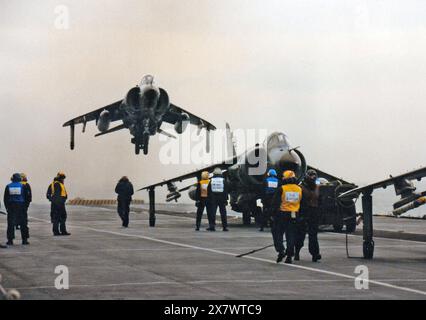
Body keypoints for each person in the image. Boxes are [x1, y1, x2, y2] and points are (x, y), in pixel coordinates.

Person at [271, 170, 302, 264]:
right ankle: (289, 255)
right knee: (290, 235)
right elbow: (302, 203)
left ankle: (281, 250)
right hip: (294, 214)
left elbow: (275, 203)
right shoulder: (299, 189)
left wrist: (271, 215)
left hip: (282, 214)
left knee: (277, 233)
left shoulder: (282, 188)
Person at [295, 169, 322, 262]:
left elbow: (319, 200)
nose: (313, 177)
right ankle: (297, 252)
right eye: (311, 175)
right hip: (303, 212)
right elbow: (297, 201)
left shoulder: (317, 187)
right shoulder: (300, 187)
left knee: (313, 235)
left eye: (314, 175)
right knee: (300, 234)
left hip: (314, 212)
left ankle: (315, 254)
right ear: (307, 176)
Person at [3, 173, 30, 245]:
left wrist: (7, 208)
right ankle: (24, 240)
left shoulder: (8, 186)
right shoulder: (23, 186)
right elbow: (27, 198)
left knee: (11, 224)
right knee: (23, 223)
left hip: (11, 207)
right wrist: (25, 207)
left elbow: (5, 199)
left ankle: (10, 240)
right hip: (21, 206)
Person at [207, 168, 229, 232]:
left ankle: (212, 226)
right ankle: (224, 227)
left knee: (213, 213)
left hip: (213, 199)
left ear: (214, 173)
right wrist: (226, 200)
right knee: (223, 213)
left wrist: (209, 199)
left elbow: (209, 190)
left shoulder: (211, 180)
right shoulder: (223, 180)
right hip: (222, 199)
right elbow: (226, 190)